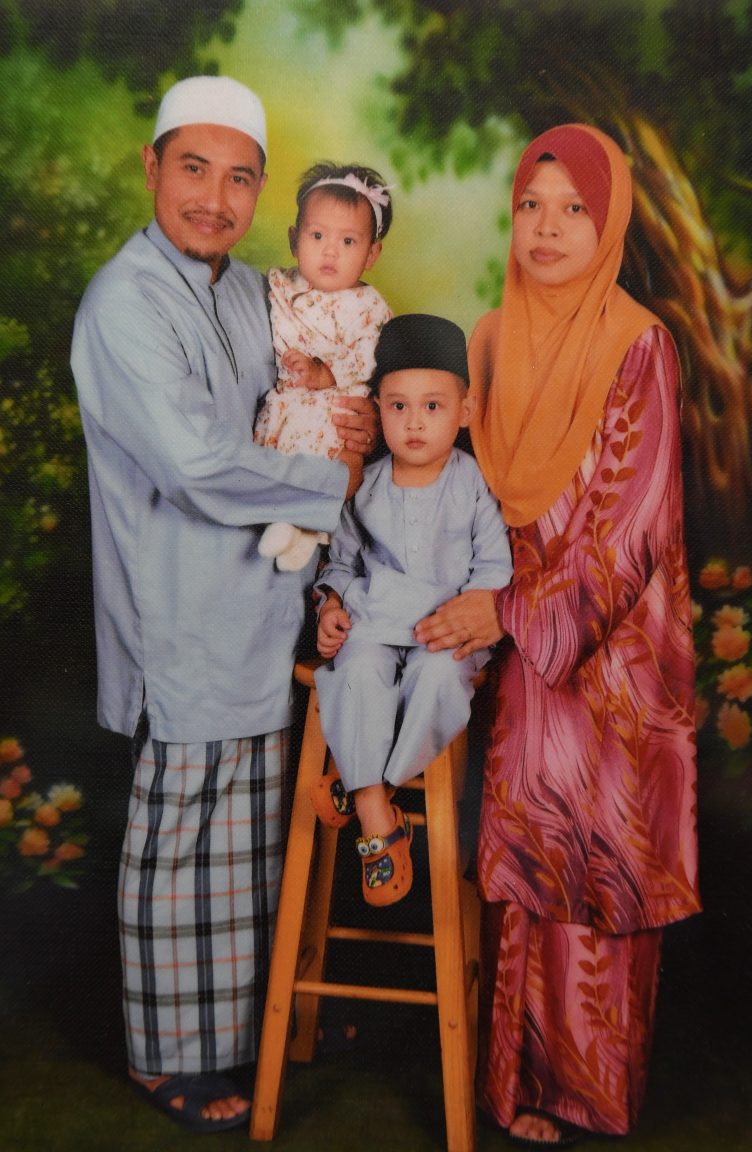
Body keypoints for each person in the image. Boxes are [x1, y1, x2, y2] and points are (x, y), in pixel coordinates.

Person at [70, 75, 376, 1132]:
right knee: (182, 843)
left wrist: (355, 418)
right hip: (179, 614)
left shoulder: (253, 290)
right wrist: (339, 480)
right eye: (193, 169)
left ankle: (258, 1018)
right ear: (152, 167)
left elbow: (309, 384)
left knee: (248, 842)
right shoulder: (125, 300)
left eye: (240, 177)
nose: (214, 197)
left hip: (261, 604)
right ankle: (167, 1057)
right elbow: (198, 464)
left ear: (261, 194)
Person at [413, 125, 700, 1145]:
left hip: (611, 661)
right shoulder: (490, 339)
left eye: (574, 209)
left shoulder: (638, 343)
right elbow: (452, 484)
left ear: (609, 223)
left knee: (596, 866)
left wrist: (509, 610)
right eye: (531, 205)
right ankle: (516, 1087)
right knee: (526, 865)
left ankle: (585, 1091)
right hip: (518, 657)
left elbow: (630, 531)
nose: (547, 228)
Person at [312, 314, 513, 906]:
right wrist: (330, 606)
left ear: (465, 411)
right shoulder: (364, 487)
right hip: (373, 626)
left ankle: (366, 788)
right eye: (398, 407)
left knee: (439, 681)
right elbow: (340, 564)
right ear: (378, 409)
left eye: (432, 406)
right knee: (356, 670)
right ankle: (377, 811)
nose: (415, 422)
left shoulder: (474, 485)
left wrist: (475, 615)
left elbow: (493, 570)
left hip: (445, 636)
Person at [253, 161, 393, 571]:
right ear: (294, 240)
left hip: (333, 406)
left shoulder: (368, 306)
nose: (330, 251)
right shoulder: (281, 286)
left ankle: (308, 531)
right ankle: (292, 530)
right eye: (317, 236)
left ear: (371, 254)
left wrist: (323, 373)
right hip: (286, 403)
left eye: (348, 241)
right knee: (275, 459)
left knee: (327, 463)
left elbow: (370, 356)